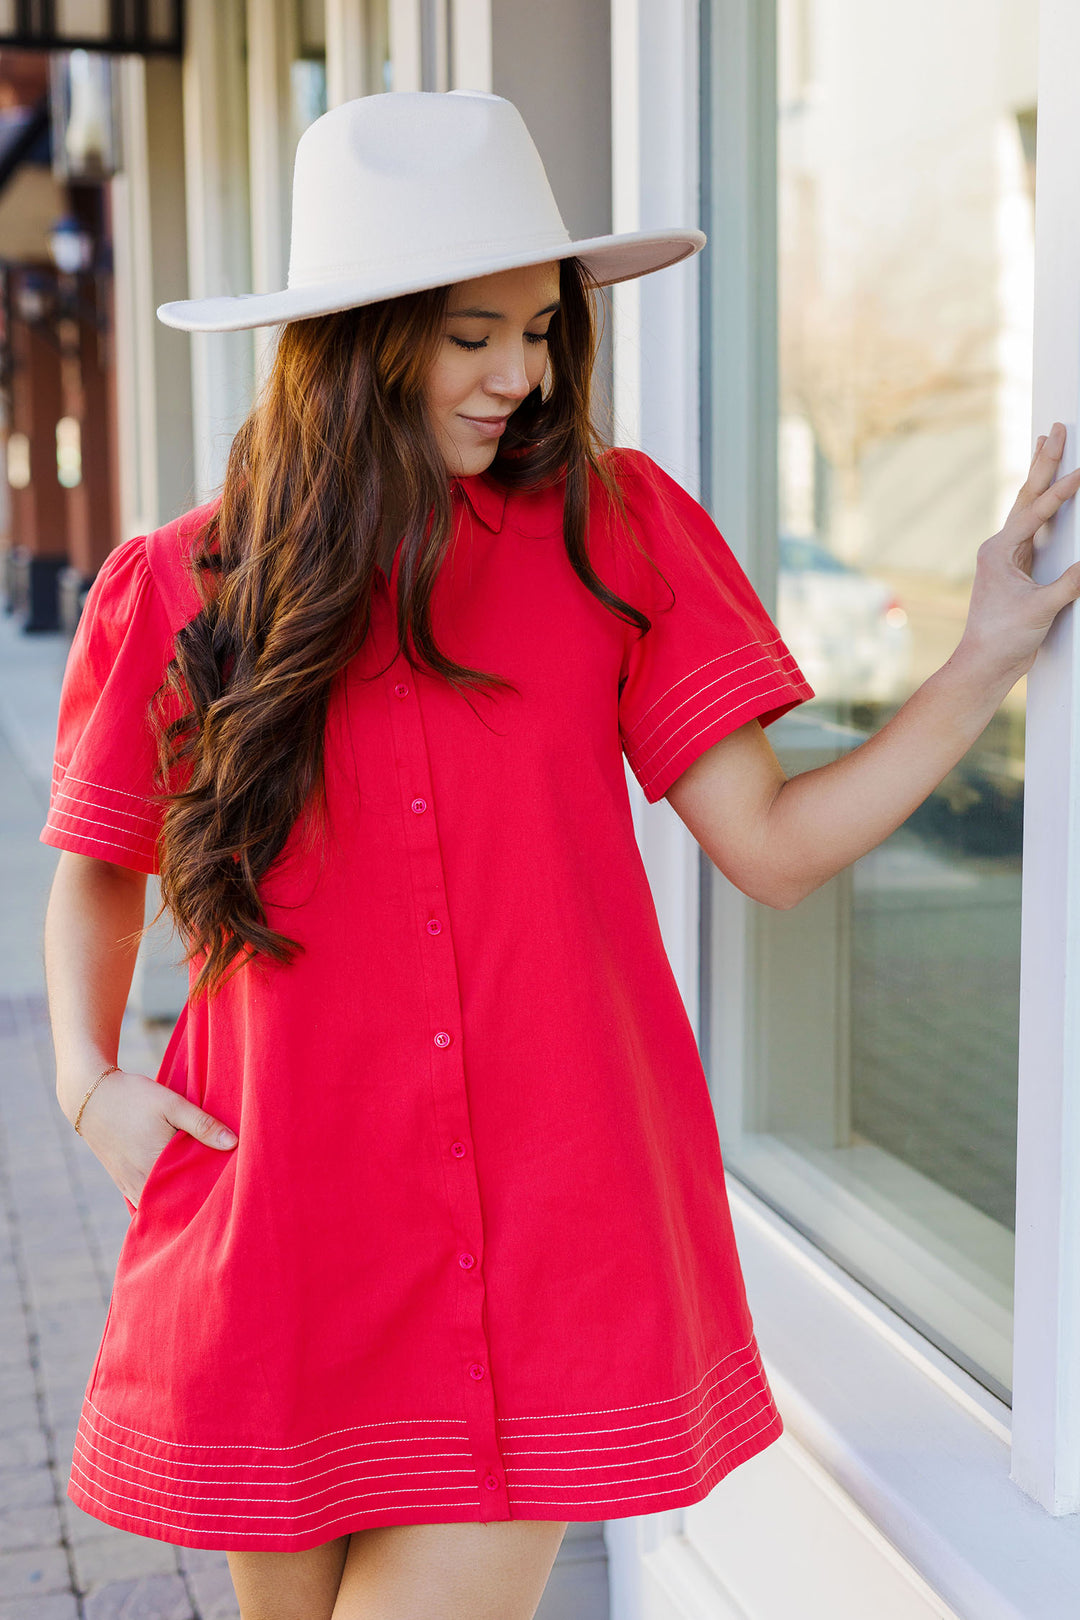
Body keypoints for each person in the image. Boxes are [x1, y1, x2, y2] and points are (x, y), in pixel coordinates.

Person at [37, 89, 1080, 1620]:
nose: (524, 375)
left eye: (540, 329)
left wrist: (984, 656)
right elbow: (101, 859)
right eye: (474, 334)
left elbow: (776, 850)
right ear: (361, 338)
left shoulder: (617, 532)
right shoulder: (180, 580)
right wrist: (88, 1085)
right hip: (276, 1228)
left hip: (537, 1237)